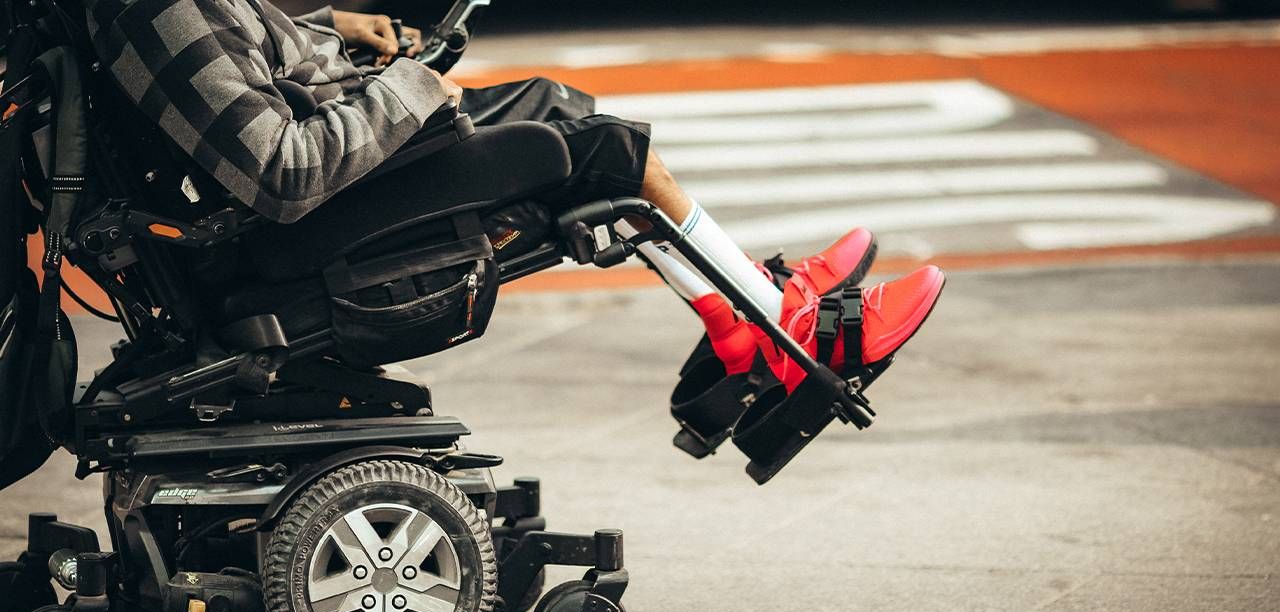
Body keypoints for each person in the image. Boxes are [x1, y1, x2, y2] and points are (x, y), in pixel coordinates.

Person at [83, 0, 944, 388]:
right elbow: (283, 170)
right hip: (300, 237)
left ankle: (741, 314)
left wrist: (327, 30)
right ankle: (791, 338)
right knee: (599, 152)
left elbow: (238, 70)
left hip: (299, 206)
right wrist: (414, 84)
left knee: (553, 104)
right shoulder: (162, 9)